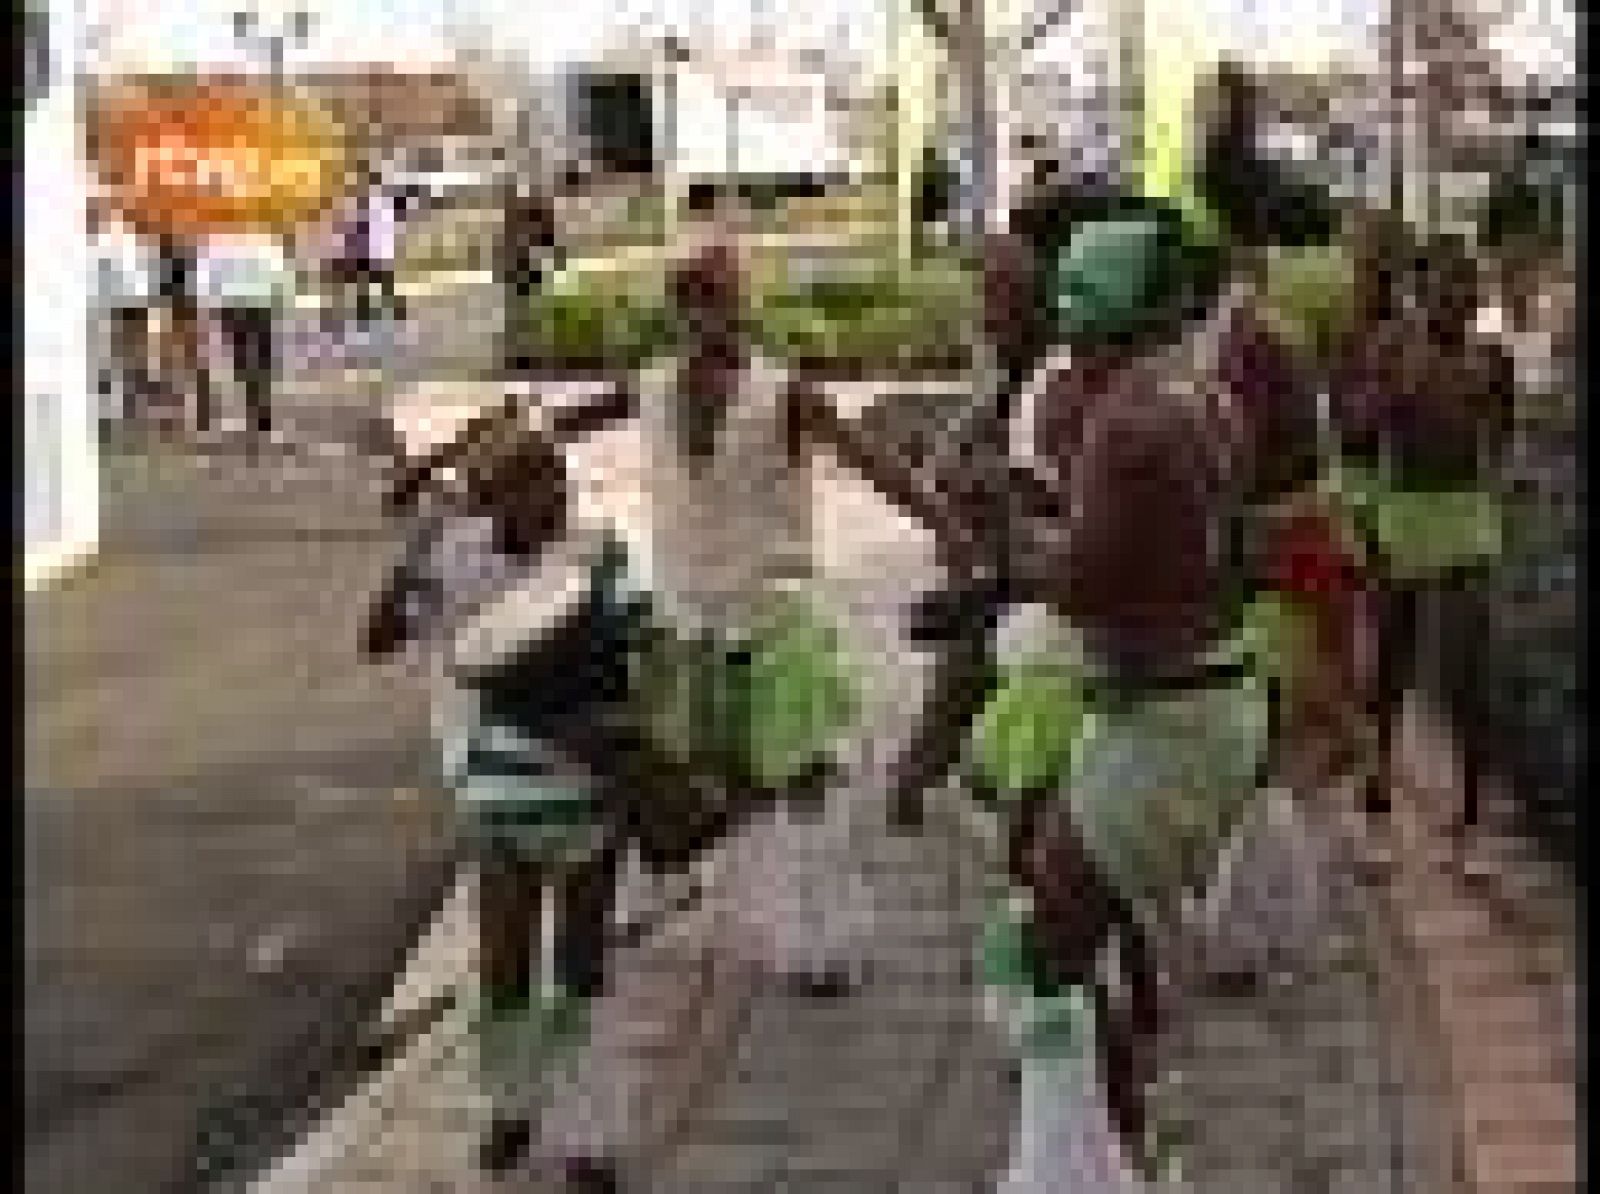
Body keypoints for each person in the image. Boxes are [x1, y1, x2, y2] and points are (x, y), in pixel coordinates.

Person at [193, 225, 295, 452]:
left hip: (234, 307)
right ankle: (260, 412)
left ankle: (252, 407)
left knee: (240, 358)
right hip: (259, 306)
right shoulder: (265, 245)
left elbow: (207, 278)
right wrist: (283, 303)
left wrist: (207, 304)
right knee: (260, 360)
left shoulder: (220, 245)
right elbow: (281, 278)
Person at [89, 201, 158, 433]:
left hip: (117, 305)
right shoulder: (132, 242)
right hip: (129, 305)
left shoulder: (106, 241)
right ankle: (121, 405)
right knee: (123, 358)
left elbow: (102, 276)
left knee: (111, 357)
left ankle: (115, 405)